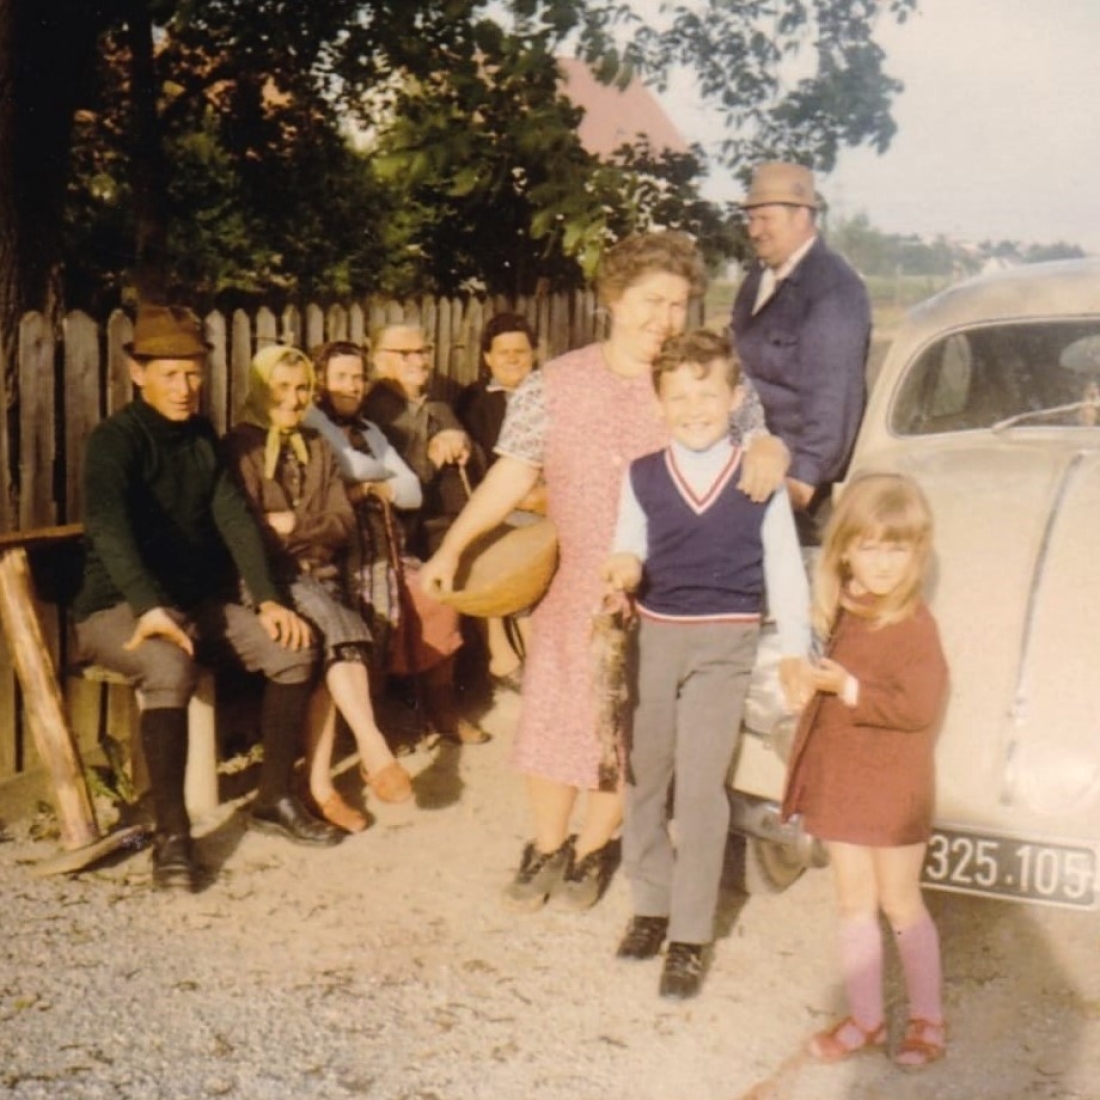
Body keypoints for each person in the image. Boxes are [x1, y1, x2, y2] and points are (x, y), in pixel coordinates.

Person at [419, 231, 788, 913]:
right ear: (614, 298)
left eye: (680, 305)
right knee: (554, 721)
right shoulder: (556, 384)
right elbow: (511, 475)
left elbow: (758, 431)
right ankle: (546, 843)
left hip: (667, 597)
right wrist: (450, 550)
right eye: (652, 301)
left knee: (630, 736)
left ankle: (592, 850)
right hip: (574, 590)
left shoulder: (699, 379)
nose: (665, 319)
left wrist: (768, 446)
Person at [73, 305, 342, 893]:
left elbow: (234, 519)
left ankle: (273, 800)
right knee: (169, 663)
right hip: (116, 606)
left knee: (294, 648)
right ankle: (173, 836)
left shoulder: (200, 437)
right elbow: (110, 534)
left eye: (193, 373)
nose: (184, 387)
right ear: (135, 373)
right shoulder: (115, 442)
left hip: (194, 604)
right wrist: (149, 608)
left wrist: (270, 600)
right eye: (169, 373)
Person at [601, 330, 810, 999]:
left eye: (709, 393)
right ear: (659, 401)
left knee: (699, 789)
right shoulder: (641, 474)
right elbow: (628, 544)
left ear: (734, 396)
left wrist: (798, 653)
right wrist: (624, 568)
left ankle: (690, 933)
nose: (695, 408)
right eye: (680, 395)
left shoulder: (758, 474)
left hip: (726, 643)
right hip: (654, 639)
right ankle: (651, 904)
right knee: (643, 777)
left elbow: (784, 569)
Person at [780, 473, 949, 1067]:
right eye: (870, 548)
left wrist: (849, 687)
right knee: (853, 902)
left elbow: (918, 707)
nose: (882, 565)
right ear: (846, 548)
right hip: (844, 779)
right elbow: (822, 680)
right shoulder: (842, 608)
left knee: (900, 902)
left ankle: (927, 1018)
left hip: (894, 785)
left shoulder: (914, 625)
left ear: (916, 554)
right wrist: (807, 687)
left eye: (896, 550)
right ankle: (867, 1018)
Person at [223, 345, 414, 834]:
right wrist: (293, 529)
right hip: (262, 580)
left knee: (332, 642)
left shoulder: (319, 445)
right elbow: (246, 531)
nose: (292, 399)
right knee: (337, 630)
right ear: (260, 389)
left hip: (317, 576)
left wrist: (292, 526)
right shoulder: (239, 446)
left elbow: (342, 523)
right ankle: (370, 750)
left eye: (302, 388)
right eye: (280, 388)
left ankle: (322, 784)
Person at [308, 338, 487, 746]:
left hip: (384, 545)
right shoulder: (314, 424)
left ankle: (442, 709)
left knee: (434, 595)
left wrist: (376, 486)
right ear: (321, 381)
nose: (351, 387)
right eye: (340, 378)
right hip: (338, 550)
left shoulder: (368, 429)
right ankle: (376, 719)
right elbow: (351, 467)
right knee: (374, 607)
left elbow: (411, 491)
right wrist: (378, 480)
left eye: (357, 378)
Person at [729, 161, 871, 534]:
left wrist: (803, 480)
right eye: (750, 219)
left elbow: (835, 394)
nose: (754, 231)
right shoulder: (758, 279)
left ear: (802, 216)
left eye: (765, 219)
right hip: (751, 468)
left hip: (796, 486)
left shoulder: (833, 287)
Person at [456, 313, 548, 692]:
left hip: (550, 498)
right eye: (503, 352)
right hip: (506, 503)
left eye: (521, 352)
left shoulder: (550, 395)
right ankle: (533, 655)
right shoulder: (476, 402)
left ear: (534, 354)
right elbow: (485, 473)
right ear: (487, 358)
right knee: (525, 548)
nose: (513, 359)